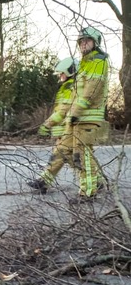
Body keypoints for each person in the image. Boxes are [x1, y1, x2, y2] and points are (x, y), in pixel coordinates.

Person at [29, 27, 109, 201]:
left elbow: (91, 91)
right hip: (77, 118)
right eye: (81, 41)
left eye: (87, 41)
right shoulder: (85, 63)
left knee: (82, 155)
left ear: (95, 43)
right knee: (68, 153)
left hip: (87, 117)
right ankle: (94, 183)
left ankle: (88, 192)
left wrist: (74, 113)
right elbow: (77, 96)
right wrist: (72, 116)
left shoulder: (98, 61)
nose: (83, 44)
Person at [27, 56, 78, 194]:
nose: (60, 76)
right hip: (66, 129)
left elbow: (63, 110)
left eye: (62, 73)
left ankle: (43, 181)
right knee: (71, 158)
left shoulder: (69, 88)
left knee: (59, 155)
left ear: (70, 71)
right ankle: (96, 181)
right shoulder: (69, 86)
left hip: (69, 128)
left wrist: (47, 124)